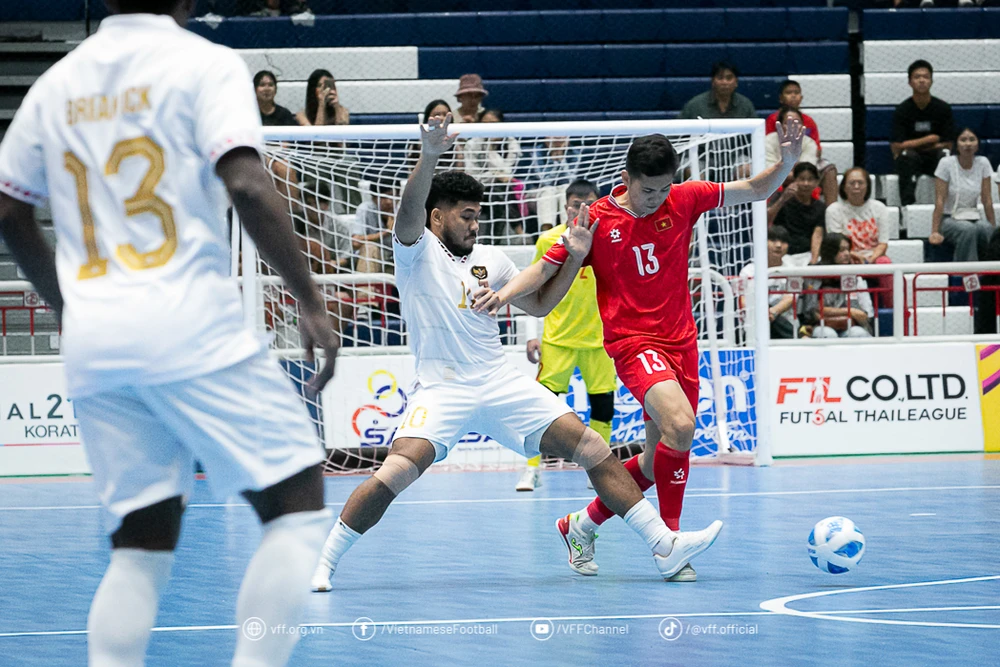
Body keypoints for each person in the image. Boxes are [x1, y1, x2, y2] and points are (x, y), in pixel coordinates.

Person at [0, 2, 341, 666]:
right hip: (185, 317)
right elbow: (245, 180)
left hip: (97, 336)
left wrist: (68, 302)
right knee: (297, 496)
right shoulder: (204, 64)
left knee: (140, 540)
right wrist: (309, 296)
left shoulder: (56, 83)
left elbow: (9, 208)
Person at [310, 115, 723, 592]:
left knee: (593, 447)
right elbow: (407, 212)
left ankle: (662, 545)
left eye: (477, 214)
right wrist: (429, 155)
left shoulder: (494, 261)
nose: (474, 222)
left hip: (501, 383)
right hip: (442, 389)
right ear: (437, 216)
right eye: (465, 215)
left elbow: (543, 303)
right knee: (396, 472)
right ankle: (325, 562)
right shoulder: (416, 250)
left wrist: (575, 255)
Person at [496, 120, 805, 582]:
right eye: (647, 191)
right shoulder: (597, 218)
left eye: (663, 188)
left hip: (681, 342)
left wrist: (790, 161)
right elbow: (541, 269)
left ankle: (580, 524)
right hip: (632, 343)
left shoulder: (685, 197)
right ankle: (671, 543)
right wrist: (501, 295)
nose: (656, 198)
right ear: (627, 178)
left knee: (655, 458)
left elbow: (757, 188)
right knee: (681, 425)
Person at [517, 179, 612, 492]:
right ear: (566, 206)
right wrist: (531, 332)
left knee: (602, 407)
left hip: (600, 340)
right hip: (557, 339)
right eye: (575, 203)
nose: (580, 209)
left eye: (588, 203)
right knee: (540, 409)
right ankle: (531, 469)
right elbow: (532, 285)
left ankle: (596, 469)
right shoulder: (549, 239)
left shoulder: (610, 238)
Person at [825, 166, 894, 306]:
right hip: (846, 257)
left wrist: (869, 260)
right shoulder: (833, 210)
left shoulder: (879, 208)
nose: (856, 186)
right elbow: (835, 244)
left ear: (867, 186)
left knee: (885, 263)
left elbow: (883, 243)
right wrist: (855, 256)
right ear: (844, 187)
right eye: (852, 183)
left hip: (872, 258)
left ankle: (893, 309)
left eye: (860, 183)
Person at [891, 60, 954, 207]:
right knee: (907, 157)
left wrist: (912, 145)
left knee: (944, 155)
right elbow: (896, 146)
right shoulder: (902, 110)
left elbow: (948, 144)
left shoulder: (943, 108)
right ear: (910, 82)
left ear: (931, 81)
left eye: (926, 77)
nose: (921, 80)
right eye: (917, 77)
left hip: (934, 158)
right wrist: (930, 139)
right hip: (911, 160)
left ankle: (948, 206)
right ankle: (907, 208)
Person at [764, 80, 838, 204]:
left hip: (803, 164)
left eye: (796, 93)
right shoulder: (772, 122)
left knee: (829, 168)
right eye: (789, 92)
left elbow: (816, 149)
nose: (793, 95)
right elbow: (768, 151)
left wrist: (800, 170)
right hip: (777, 163)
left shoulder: (809, 123)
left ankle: (831, 211)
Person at [930, 127, 996, 262]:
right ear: (956, 144)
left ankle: (990, 274)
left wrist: (993, 228)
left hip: (973, 215)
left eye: (972, 140)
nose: (968, 144)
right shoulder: (946, 164)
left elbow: (987, 199)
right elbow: (940, 200)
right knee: (968, 230)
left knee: (986, 229)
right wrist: (935, 231)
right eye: (963, 140)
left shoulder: (983, 163)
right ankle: (966, 275)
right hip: (949, 218)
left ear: (978, 144)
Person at [465, 109, 526, 243]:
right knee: (498, 191)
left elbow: (507, 173)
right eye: (485, 123)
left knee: (498, 193)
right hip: (478, 189)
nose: (489, 128)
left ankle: (493, 240)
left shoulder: (511, 144)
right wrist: (494, 174)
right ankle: (519, 231)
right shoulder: (472, 144)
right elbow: (473, 176)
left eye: (493, 123)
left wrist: (491, 150)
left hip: (502, 188)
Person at [803, 234, 874, 339]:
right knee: (828, 334)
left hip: (851, 325)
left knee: (859, 334)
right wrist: (849, 311)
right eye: (841, 250)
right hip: (821, 325)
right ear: (830, 252)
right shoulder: (814, 275)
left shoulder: (855, 276)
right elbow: (812, 311)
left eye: (847, 249)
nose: (846, 254)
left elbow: (864, 313)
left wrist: (827, 311)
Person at [739, 225, 797, 340]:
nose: (778, 245)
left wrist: (772, 312)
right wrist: (762, 314)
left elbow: (791, 298)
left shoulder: (793, 269)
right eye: (773, 240)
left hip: (784, 321)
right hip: (754, 322)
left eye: (783, 241)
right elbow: (744, 300)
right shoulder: (748, 271)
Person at [767, 162, 826, 265]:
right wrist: (783, 199)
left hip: (806, 254)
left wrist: (813, 260)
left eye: (810, 179)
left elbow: (817, 234)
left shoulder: (820, 207)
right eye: (802, 179)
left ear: (817, 182)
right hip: (783, 253)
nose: (806, 183)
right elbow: (767, 219)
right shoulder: (781, 197)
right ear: (794, 181)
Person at [524, 136, 581, 234]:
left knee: (565, 190)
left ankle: (569, 231)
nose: (558, 140)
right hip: (538, 190)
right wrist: (553, 161)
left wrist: (562, 161)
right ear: (546, 138)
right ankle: (547, 232)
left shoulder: (574, 152)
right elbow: (544, 180)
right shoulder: (537, 151)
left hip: (563, 188)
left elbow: (571, 179)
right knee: (548, 191)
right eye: (554, 137)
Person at [679, 61, 756, 120]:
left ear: (736, 82)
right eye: (720, 78)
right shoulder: (695, 105)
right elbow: (677, 132)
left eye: (729, 78)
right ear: (712, 81)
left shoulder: (745, 105)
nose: (724, 82)